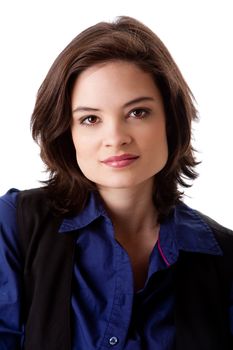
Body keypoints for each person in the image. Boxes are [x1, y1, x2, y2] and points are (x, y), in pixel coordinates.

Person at [0, 16, 232, 350]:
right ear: (68, 132)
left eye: (137, 112)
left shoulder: (224, 258)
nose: (115, 138)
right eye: (90, 119)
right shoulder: (16, 226)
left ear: (170, 119)